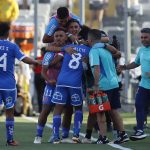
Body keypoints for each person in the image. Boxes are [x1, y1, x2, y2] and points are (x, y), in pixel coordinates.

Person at [0, 22, 41, 146]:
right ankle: (10, 139)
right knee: (9, 111)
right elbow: (24, 59)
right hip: (8, 85)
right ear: (8, 33)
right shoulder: (12, 46)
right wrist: (36, 62)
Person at [88, 29, 129, 144]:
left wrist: (96, 85)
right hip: (114, 83)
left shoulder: (94, 51)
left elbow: (96, 68)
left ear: (90, 40)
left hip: (103, 85)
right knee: (114, 110)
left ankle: (103, 137)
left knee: (100, 112)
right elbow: (116, 54)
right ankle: (122, 134)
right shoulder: (106, 50)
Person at [50, 39, 91, 144]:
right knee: (78, 108)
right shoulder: (88, 49)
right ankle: (76, 136)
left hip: (61, 81)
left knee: (58, 108)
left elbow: (49, 48)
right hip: (75, 83)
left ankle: (55, 137)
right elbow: (87, 66)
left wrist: (62, 48)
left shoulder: (68, 47)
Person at [118, 28, 150, 141]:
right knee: (139, 104)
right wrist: (124, 67)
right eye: (142, 37)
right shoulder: (141, 50)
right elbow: (136, 63)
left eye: (146, 37)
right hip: (144, 85)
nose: (143, 39)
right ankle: (140, 130)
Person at [34, 29, 65, 144]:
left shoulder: (69, 51)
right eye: (56, 36)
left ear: (65, 37)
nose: (58, 38)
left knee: (60, 110)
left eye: (61, 35)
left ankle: (56, 135)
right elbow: (43, 71)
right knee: (45, 110)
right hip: (50, 86)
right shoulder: (49, 53)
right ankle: (38, 135)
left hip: (63, 87)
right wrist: (49, 79)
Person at [33, 47, 46, 113]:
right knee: (44, 93)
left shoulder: (37, 59)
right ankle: (45, 108)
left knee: (39, 94)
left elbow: (34, 68)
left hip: (38, 76)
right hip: (45, 76)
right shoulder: (48, 59)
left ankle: (40, 109)